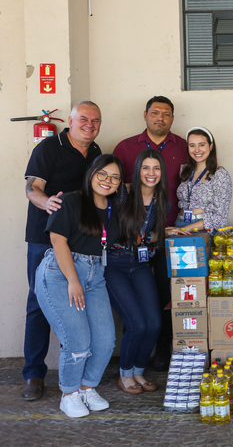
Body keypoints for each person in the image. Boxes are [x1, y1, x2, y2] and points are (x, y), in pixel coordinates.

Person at [22, 101, 103, 401]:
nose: (89, 125)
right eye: (83, 119)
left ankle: (78, 373)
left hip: (79, 242)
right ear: (70, 120)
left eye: (95, 121)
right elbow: (32, 187)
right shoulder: (48, 148)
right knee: (38, 304)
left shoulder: (95, 153)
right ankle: (33, 374)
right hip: (43, 238)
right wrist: (48, 203)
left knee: (78, 304)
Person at [34, 154, 123, 418]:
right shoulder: (71, 200)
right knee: (77, 340)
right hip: (61, 273)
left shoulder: (112, 208)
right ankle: (70, 394)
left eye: (115, 177)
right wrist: (73, 280)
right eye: (103, 174)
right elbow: (58, 241)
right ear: (91, 173)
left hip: (95, 275)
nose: (108, 180)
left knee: (106, 341)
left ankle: (87, 388)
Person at [113, 96, 189, 371]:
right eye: (155, 113)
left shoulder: (183, 147)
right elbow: (111, 186)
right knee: (136, 299)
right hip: (128, 243)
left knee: (167, 293)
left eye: (166, 114)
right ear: (145, 115)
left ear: (172, 118)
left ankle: (164, 348)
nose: (160, 118)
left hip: (169, 235)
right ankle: (135, 355)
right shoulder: (125, 147)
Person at [105, 149, 177, 395]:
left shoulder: (162, 202)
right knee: (136, 323)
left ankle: (137, 371)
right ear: (137, 170)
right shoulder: (122, 193)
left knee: (155, 323)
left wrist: (166, 232)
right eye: (145, 167)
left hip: (141, 264)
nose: (151, 173)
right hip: (115, 264)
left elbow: (149, 235)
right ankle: (125, 374)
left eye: (156, 168)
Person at [175, 127, 233, 231]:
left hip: (202, 228)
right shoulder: (184, 171)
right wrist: (180, 229)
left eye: (202, 145)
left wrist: (185, 229)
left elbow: (219, 217)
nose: (197, 150)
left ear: (210, 146)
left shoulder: (220, 175)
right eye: (192, 145)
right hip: (180, 223)